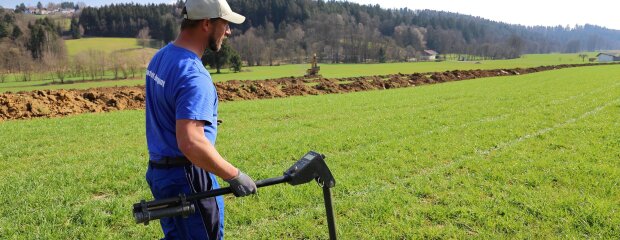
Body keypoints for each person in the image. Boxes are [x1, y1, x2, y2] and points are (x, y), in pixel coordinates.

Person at [144, 0, 256, 239]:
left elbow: (169, 111)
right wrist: (233, 175)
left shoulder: (161, 57)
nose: (228, 31)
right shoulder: (193, 75)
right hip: (188, 178)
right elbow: (191, 143)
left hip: (160, 174)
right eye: (225, 23)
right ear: (207, 23)